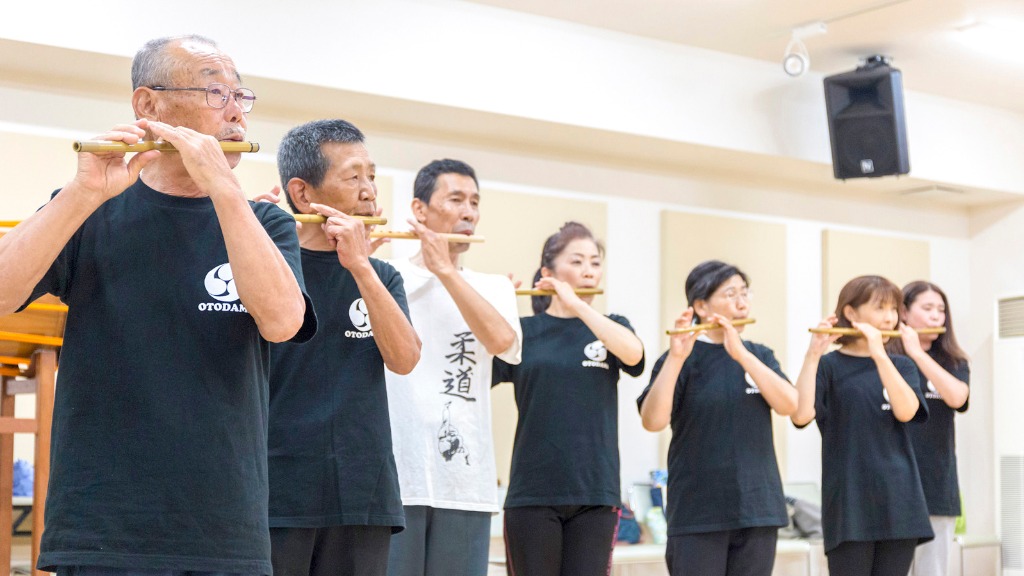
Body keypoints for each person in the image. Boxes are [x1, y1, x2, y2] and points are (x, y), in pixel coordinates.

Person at [0, 35, 316, 575]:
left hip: (224, 531)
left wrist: (224, 190)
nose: (236, 113)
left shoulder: (266, 223)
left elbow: (284, 323)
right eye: (216, 93)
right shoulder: (91, 210)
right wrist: (81, 194)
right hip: (101, 529)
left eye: (240, 96)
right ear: (149, 104)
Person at [267, 119, 422, 576]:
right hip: (277, 492)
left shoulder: (382, 276)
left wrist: (361, 266)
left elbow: (405, 359)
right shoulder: (269, 267)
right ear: (302, 193)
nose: (369, 190)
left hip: (362, 494)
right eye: (353, 177)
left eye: (371, 176)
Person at [384, 159, 522, 576]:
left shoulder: (495, 286)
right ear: (420, 209)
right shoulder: (386, 276)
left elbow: (503, 343)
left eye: (475, 203)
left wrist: (445, 269)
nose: (469, 212)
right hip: (395, 477)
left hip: (464, 482)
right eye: (456, 200)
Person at [492, 222, 645, 576]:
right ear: (548, 274)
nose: (589, 271)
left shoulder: (611, 326)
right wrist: (495, 312)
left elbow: (634, 355)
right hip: (532, 493)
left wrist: (576, 304)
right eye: (577, 261)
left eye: (595, 262)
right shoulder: (523, 331)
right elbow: (476, 372)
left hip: (596, 492)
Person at [637, 260, 796, 576]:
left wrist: (742, 355)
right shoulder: (680, 357)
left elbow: (790, 404)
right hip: (698, 512)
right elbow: (652, 421)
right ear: (701, 306)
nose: (742, 303)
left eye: (745, 293)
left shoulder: (759, 355)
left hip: (758, 509)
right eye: (731, 294)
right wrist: (676, 358)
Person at [792, 275, 933, 576]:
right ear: (851, 312)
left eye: (893, 309)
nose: (890, 317)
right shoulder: (829, 366)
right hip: (849, 504)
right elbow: (800, 415)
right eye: (880, 308)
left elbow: (906, 412)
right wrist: (813, 355)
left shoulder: (902, 365)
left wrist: (879, 353)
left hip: (900, 502)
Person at [887, 282, 969, 576]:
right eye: (927, 308)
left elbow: (958, 398)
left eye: (941, 310)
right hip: (894, 483)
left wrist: (918, 354)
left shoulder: (953, 361)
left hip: (936, 483)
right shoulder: (885, 359)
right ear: (904, 313)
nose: (936, 316)